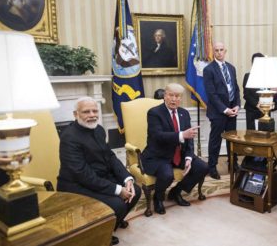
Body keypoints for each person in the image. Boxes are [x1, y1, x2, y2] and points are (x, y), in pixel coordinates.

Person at [57, 97, 141, 245]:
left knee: (136, 190)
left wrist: (127, 179)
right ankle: (102, 236)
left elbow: (110, 156)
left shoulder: (99, 130)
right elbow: (81, 173)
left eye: (95, 111)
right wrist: (117, 189)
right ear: (75, 114)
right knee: (118, 203)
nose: (92, 115)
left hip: (99, 179)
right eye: (86, 112)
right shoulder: (69, 137)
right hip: (76, 185)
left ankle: (113, 222)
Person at [141, 83, 209, 215]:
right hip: (158, 155)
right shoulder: (154, 113)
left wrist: (189, 157)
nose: (173, 99)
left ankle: (176, 192)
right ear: (165, 96)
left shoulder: (184, 113)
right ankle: (158, 198)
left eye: (177, 96)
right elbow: (157, 136)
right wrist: (182, 135)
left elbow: (189, 138)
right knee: (167, 175)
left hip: (179, 153)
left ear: (181, 98)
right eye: (171, 95)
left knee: (202, 167)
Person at [203, 42, 240, 180]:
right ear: (213, 52)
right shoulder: (209, 70)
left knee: (232, 140)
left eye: (221, 50)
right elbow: (211, 94)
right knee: (215, 141)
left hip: (232, 110)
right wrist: (225, 110)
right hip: (218, 112)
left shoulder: (231, 68)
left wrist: (237, 105)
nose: (219, 52)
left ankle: (233, 164)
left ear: (225, 51)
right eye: (216, 50)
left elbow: (235, 89)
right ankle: (212, 167)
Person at [242, 53, 264, 130]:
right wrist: (257, 104)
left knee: (265, 135)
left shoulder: (267, 76)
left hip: (265, 110)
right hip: (251, 110)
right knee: (251, 136)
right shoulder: (247, 76)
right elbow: (246, 95)